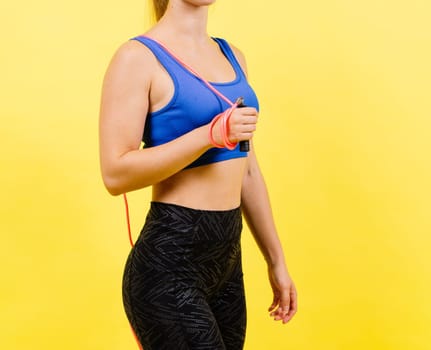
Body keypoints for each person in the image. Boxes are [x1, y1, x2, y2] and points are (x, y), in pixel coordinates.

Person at [98, 0, 297, 349]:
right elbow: (115, 174)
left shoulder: (232, 55)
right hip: (170, 263)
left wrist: (276, 260)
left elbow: (247, 169)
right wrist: (209, 135)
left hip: (226, 263)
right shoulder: (137, 58)